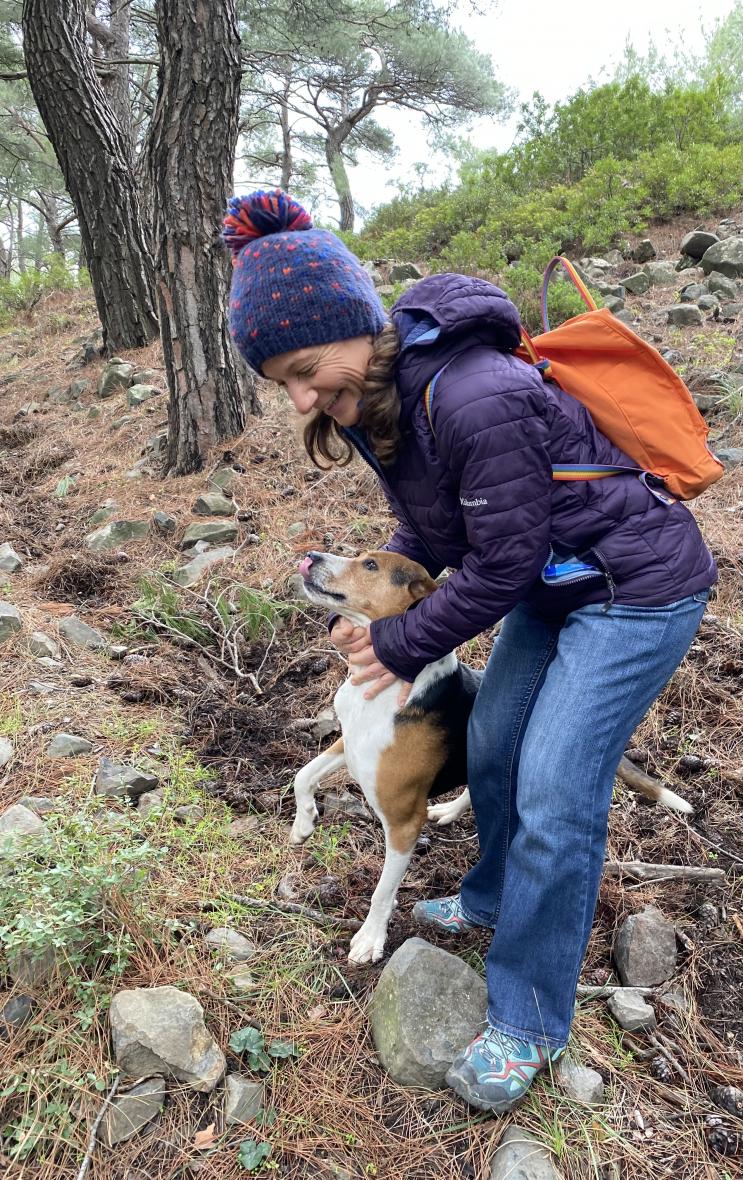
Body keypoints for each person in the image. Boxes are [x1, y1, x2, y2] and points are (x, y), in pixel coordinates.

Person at [222, 189, 716, 1113]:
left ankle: (527, 1017)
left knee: (555, 792)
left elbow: (504, 557)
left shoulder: (475, 394)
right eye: (280, 383)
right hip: (553, 586)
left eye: (302, 368)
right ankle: (489, 897)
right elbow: (432, 532)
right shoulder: (378, 403)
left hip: (635, 591)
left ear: (354, 329)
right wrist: (370, 612)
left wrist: (402, 640)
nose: (298, 398)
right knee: (489, 745)